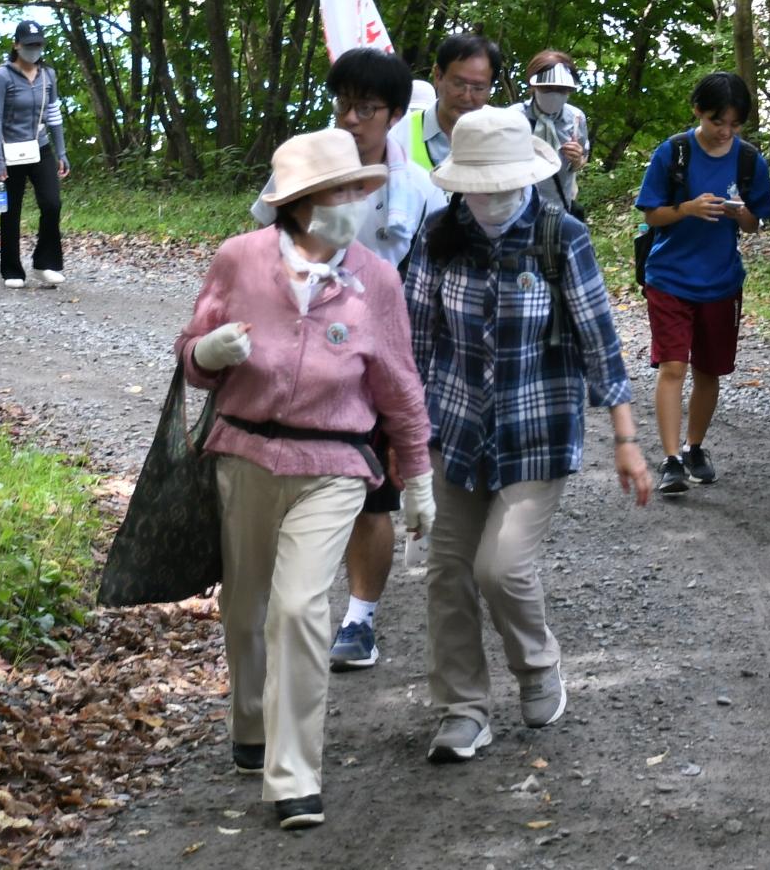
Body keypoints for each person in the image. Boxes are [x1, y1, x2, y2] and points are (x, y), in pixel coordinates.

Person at [176, 128, 435, 831]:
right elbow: (192, 359)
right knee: (246, 609)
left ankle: (293, 775)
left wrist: (417, 477)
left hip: (335, 463)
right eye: (337, 192)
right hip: (245, 453)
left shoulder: (377, 278)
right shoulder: (240, 259)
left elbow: (400, 385)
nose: (352, 203)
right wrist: (206, 349)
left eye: (357, 189)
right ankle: (252, 723)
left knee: (298, 607)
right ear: (298, 204)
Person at [407, 107, 650, 764]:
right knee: (448, 571)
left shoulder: (559, 235)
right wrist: (400, 444)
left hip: (537, 432)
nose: (490, 196)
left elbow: (601, 340)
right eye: (477, 184)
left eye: (502, 182)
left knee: (502, 565)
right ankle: (463, 709)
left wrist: (626, 437)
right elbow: (415, 341)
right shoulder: (438, 234)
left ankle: (538, 665)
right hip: (454, 430)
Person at [250, 47, 443, 671]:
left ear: (393, 114)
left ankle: (359, 621)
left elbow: (430, 273)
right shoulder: (303, 167)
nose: (350, 119)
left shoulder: (417, 187)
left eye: (365, 108)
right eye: (342, 105)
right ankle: (284, 605)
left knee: (373, 492)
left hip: (376, 354)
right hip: (300, 352)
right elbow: (262, 244)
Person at [633, 71, 770, 495]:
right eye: (718, 122)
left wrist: (740, 214)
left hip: (721, 281)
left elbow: (755, 225)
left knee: (709, 370)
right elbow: (651, 214)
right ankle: (672, 458)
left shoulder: (750, 161)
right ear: (698, 111)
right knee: (673, 365)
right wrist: (688, 208)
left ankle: (695, 447)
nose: (725, 132)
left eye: (734, 124)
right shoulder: (674, 152)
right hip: (670, 277)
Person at [0, 19, 68, 289]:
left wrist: (61, 151)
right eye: (29, 45)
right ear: (17, 45)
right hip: (11, 151)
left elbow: (53, 113)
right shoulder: (3, 77)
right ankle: (11, 269)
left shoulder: (48, 75)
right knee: (10, 210)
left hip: (40, 147)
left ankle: (45, 263)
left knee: (52, 204)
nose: (34, 50)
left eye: (38, 45)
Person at [394, 32, 500, 175]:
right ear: (438, 76)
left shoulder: (501, 137)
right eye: (458, 84)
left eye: (478, 88)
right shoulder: (399, 132)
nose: (467, 97)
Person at [519, 50, 589, 218]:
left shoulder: (576, 119)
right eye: (548, 88)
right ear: (534, 86)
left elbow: (583, 158)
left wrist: (577, 160)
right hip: (519, 212)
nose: (554, 94)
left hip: (559, 210)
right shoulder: (514, 118)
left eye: (562, 90)